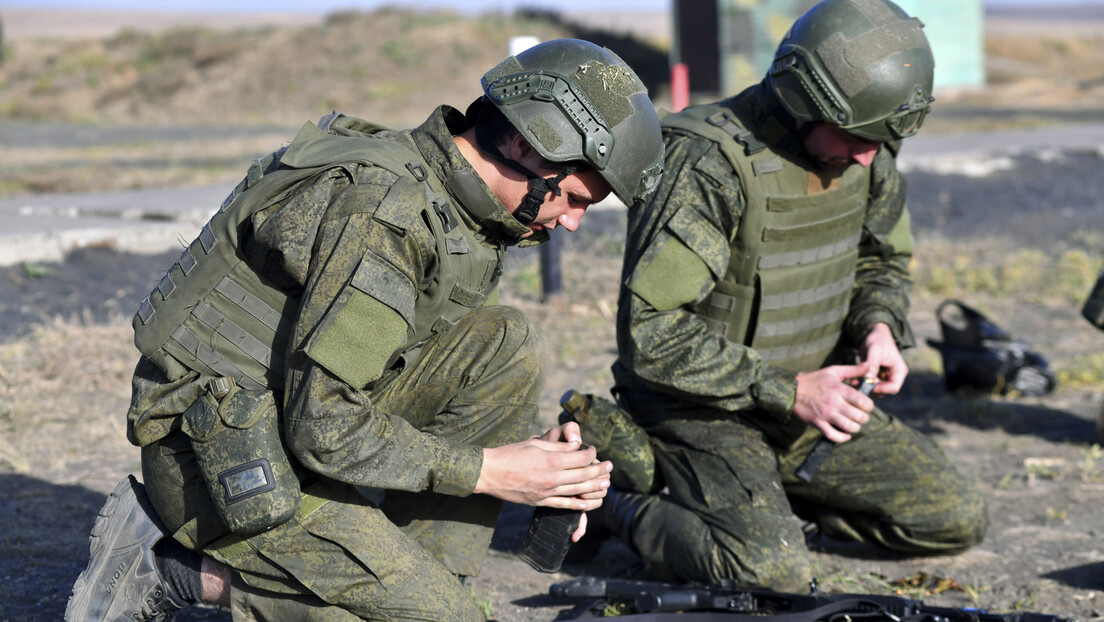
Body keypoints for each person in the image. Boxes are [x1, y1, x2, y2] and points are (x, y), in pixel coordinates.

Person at [64, 38, 664, 622]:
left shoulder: (460, 204)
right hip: (217, 453)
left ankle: (412, 581)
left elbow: (403, 364)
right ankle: (165, 566)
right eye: (579, 198)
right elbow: (322, 422)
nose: (577, 223)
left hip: (292, 419)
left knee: (505, 341)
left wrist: (539, 465)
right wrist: (492, 472)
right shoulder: (387, 212)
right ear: (525, 147)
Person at [580, 0, 988, 591]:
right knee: (772, 574)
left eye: (878, 140)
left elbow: (881, 258)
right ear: (804, 102)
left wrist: (878, 326)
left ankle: (754, 503)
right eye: (854, 138)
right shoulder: (707, 163)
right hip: (701, 407)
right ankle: (615, 502)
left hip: (810, 401)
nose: (869, 156)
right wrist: (788, 389)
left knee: (953, 519)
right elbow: (651, 334)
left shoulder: (866, 142)